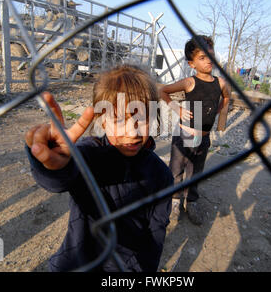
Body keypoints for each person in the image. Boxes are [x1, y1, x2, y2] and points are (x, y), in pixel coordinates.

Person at [25, 64, 173, 272]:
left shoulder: (161, 175)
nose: (132, 132)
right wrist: (51, 164)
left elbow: (156, 235)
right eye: (119, 119)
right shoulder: (87, 155)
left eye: (142, 117)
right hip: (77, 262)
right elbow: (60, 180)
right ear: (102, 122)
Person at [159, 35, 230, 225]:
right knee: (176, 170)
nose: (208, 61)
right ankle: (174, 201)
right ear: (192, 63)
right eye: (202, 57)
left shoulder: (221, 83)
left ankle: (191, 202)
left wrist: (220, 118)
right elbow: (162, 91)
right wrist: (177, 108)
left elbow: (227, 98)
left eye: (211, 56)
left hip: (203, 138)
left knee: (196, 171)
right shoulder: (189, 82)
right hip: (184, 135)